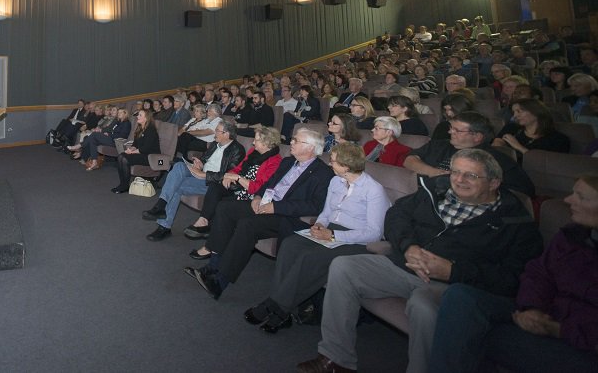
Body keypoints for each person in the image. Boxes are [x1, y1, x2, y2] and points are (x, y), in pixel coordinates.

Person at [295, 149, 543, 373]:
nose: (459, 180)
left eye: (471, 175)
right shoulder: (435, 190)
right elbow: (396, 215)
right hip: (404, 264)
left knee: (423, 305)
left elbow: (513, 278)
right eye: (456, 172)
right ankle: (336, 360)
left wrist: (452, 271)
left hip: (452, 286)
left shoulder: (515, 222)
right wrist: (408, 246)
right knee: (343, 266)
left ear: (494, 182)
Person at [428, 174, 598, 372]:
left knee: (470, 334)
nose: (568, 200)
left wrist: (559, 330)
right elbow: (539, 274)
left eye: (582, 197)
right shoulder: (573, 235)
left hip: (579, 342)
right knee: (460, 298)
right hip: (549, 313)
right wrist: (532, 307)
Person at [245, 143, 391, 334]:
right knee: (290, 245)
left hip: (356, 240)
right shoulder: (336, 182)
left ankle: (275, 306)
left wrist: (334, 235)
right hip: (330, 231)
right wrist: (320, 224)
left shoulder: (373, 190)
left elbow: (374, 232)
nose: (329, 164)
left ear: (346, 166)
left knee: (310, 257)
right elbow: (326, 212)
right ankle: (281, 307)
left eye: (334, 161)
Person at [185, 128, 334, 299]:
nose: (291, 143)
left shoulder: (323, 173)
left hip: (284, 215)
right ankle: (212, 267)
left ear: (310, 147)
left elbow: (315, 206)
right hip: (265, 204)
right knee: (225, 208)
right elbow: (269, 184)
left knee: (247, 225)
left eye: (296, 141)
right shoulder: (288, 162)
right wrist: (257, 197)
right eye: (292, 139)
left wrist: (276, 207)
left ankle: (220, 281)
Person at [144, 120, 244, 241]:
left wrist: (204, 174)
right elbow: (206, 159)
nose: (215, 133)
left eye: (217, 131)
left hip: (212, 183)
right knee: (179, 166)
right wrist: (200, 163)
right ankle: (161, 204)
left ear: (227, 134)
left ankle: (163, 226)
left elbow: (229, 175)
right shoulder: (215, 144)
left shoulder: (237, 150)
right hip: (201, 174)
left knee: (176, 186)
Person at [183, 127, 284, 243]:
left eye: (256, 140)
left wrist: (237, 178)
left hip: (251, 194)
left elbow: (259, 188)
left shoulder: (275, 161)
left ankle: (212, 235)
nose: (253, 142)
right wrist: (229, 175)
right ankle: (203, 220)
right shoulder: (253, 152)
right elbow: (238, 168)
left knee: (223, 203)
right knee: (215, 186)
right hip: (238, 185)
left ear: (267, 143)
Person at [403, 111, 535, 198]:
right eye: (451, 128)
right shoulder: (439, 145)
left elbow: (524, 192)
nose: (450, 132)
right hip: (418, 195)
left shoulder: (495, 160)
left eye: (457, 130)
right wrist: (433, 172)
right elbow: (409, 160)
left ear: (477, 136)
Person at [492, 97, 571, 159]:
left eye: (519, 111)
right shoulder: (511, 127)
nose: (515, 116)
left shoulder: (559, 139)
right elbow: (497, 143)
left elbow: (552, 165)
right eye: (514, 112)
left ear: (535, 112)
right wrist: (499, 145)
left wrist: (519, 147)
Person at [111, 109, 160, 194]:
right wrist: (131, 149)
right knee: (121, 156)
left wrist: (132, 152)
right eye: (138, 115)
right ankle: (123, 184)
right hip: (141, 153)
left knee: (124, 158)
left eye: (140, 115)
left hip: (150, 157)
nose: (137, 116)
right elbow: (135, 144)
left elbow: (146, 148)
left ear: (146, 118)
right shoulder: (140, 128)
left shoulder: (151, 130)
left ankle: (124, 186)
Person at [76, 106, 131, 170]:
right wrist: (108, 133)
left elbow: (122, 136)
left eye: (121, 112)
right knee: (93, 140)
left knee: (94, 134)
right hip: (111, 138)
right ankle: (94, 162)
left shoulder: (127, 123)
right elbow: (112, 130)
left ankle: (80, 145)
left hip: (116, 142)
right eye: (118, 112)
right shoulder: (119, 122)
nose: (119, 114)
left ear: (125, 114)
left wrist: (109, 134)